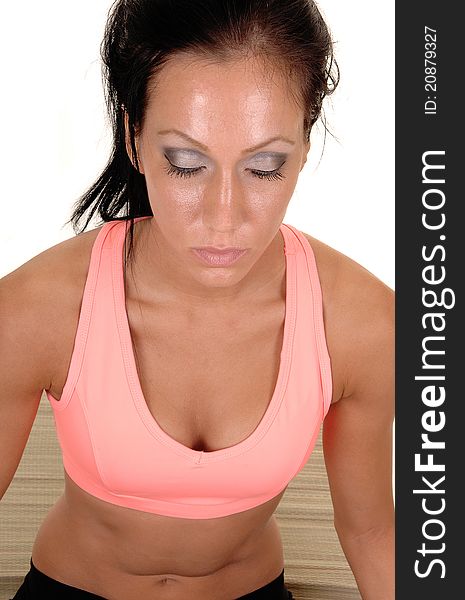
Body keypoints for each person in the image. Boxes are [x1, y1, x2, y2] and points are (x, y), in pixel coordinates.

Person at [1, 1, 394, 598]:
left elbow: (372, 534)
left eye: (265, 167)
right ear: (134, 138)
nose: (224, 217)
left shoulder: (365, 324)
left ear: (305, 149)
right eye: (186, 164)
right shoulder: (40, 308)